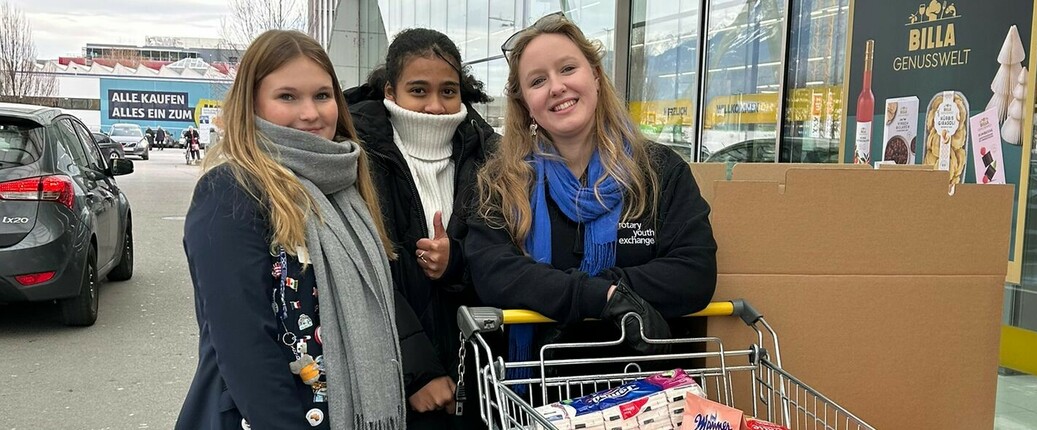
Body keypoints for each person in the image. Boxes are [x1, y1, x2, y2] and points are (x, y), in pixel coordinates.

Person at [176, 30, 405, 430]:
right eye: (287, 97)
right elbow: (244, 349)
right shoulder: (231, 190)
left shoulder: (346, 187)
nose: (311, 113)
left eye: (322, 95)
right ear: (252, 104)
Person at [467, 12, 718, 376]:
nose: (556, 87)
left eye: (567, 69)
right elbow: (495, 273)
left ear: (596, 77)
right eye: (538, 80)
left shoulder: (659, 171)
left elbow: (694, 271)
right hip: (539, 394)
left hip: (641, 389)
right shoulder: (502, 182)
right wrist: (600, 298)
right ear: (525, 104)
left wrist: (611, 288)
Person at [344, 28, 497, 430]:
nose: (435, 106)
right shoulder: (356, 155)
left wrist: (456, 262)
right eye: (418, 90)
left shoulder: (490, 154)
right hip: (394, 378)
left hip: (479, 377)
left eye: (448, 91)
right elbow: (361, 276)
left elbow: (504, 254)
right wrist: (419, 371)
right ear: (390, 92)